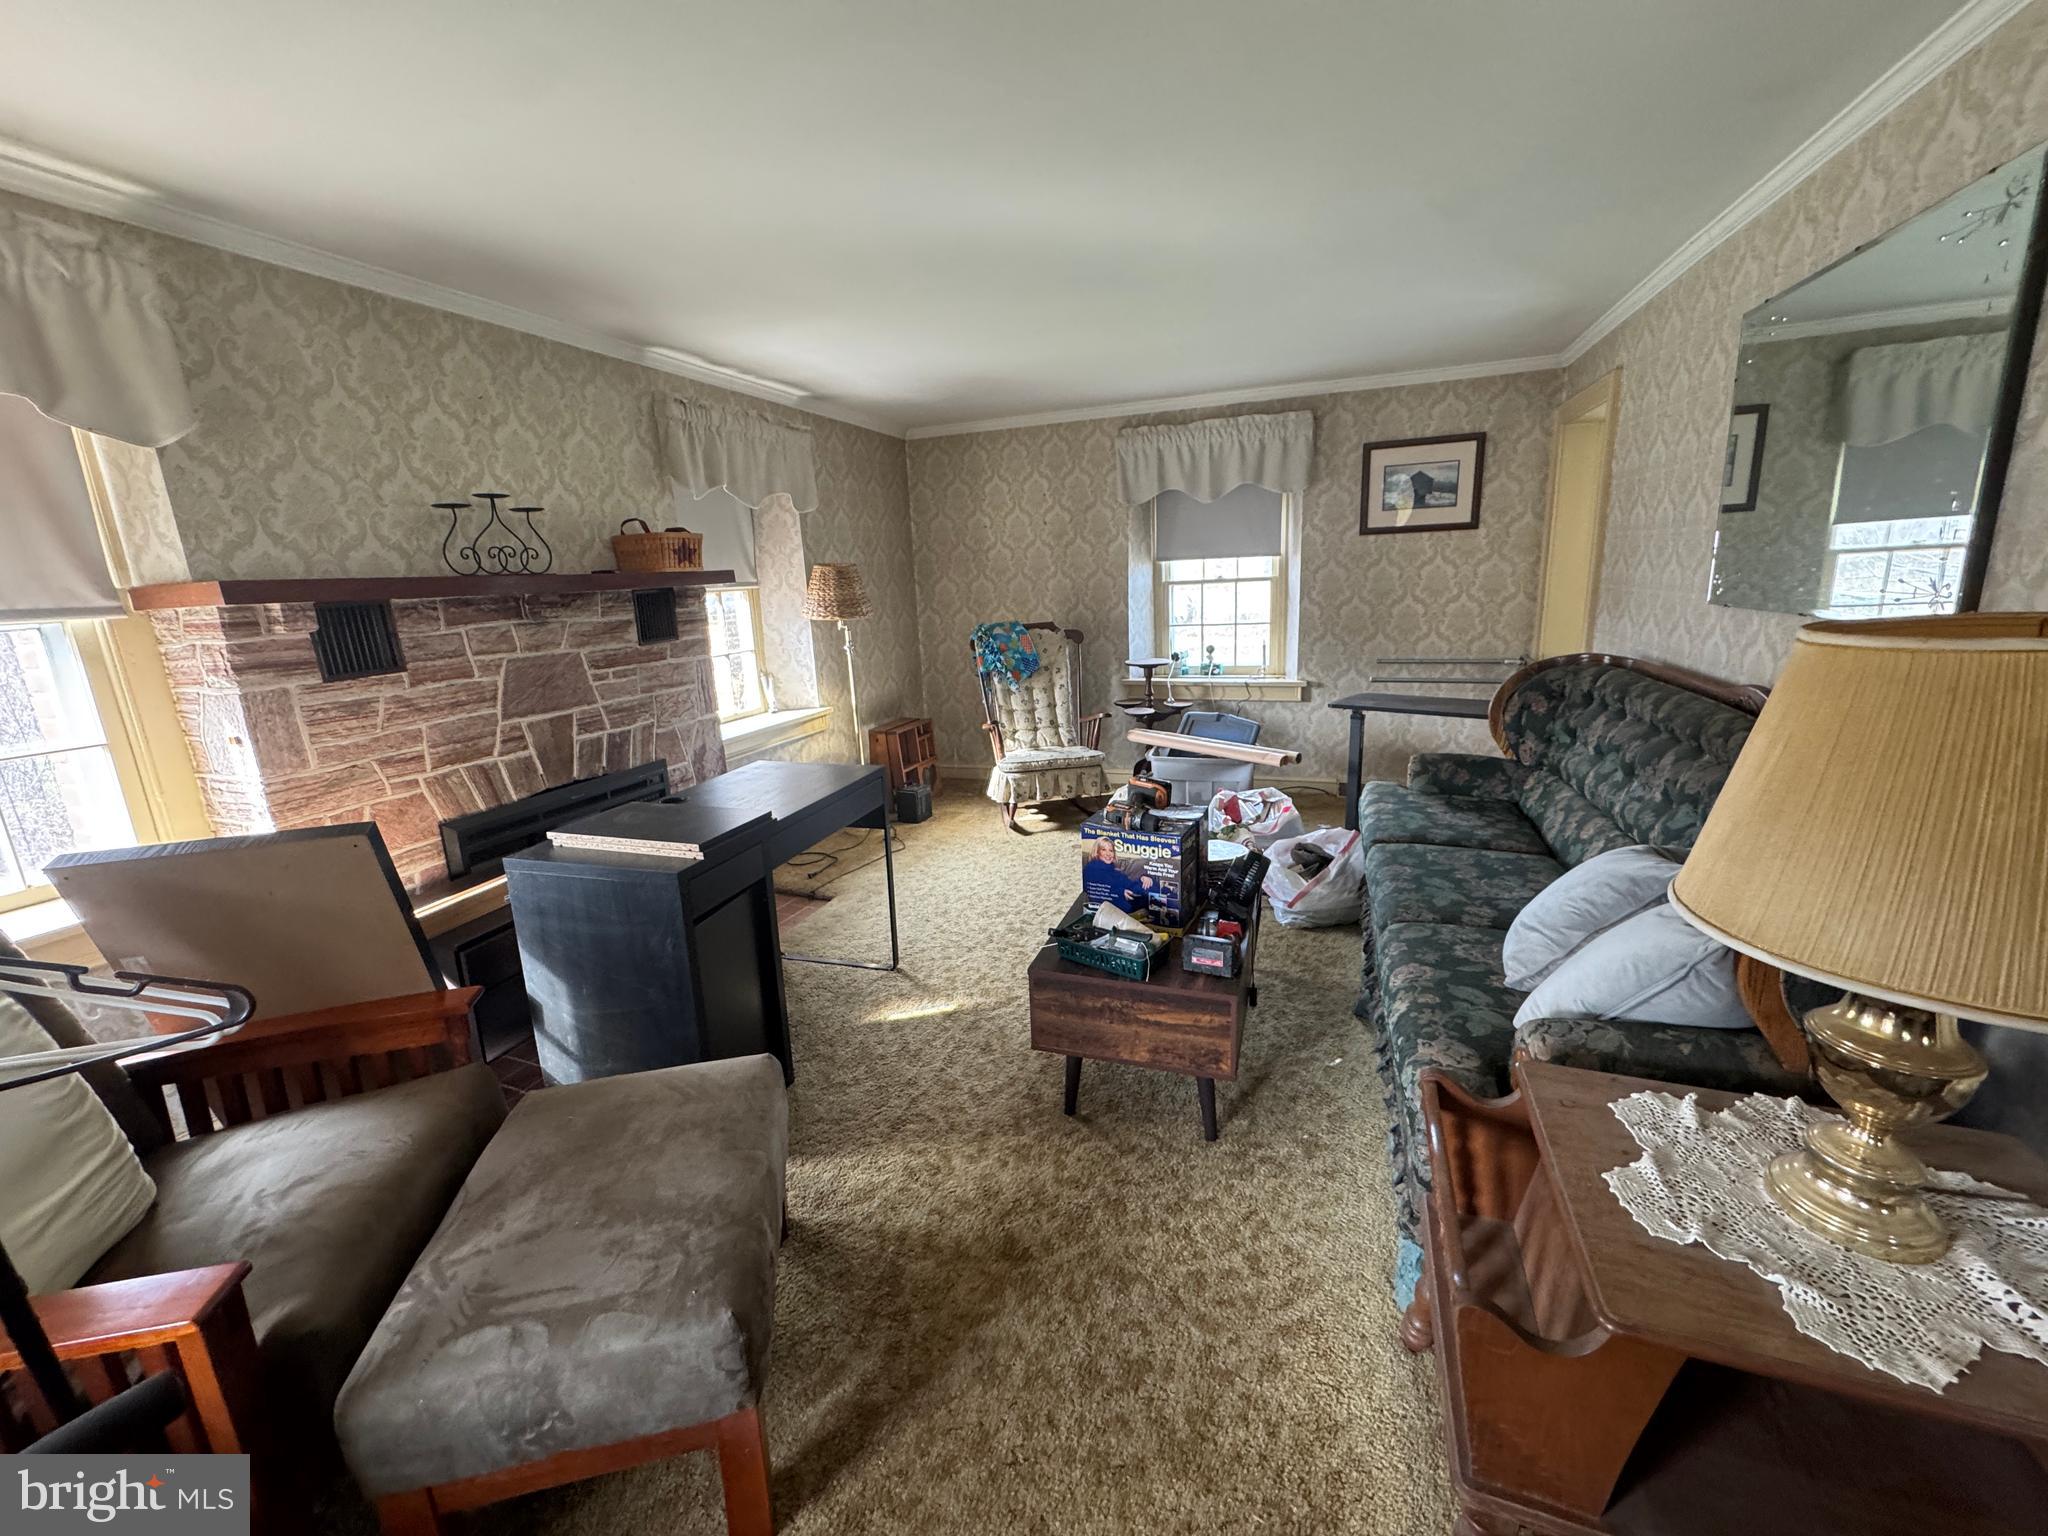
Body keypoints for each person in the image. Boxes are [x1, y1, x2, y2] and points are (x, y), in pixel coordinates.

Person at [1083, 839, 1152, 913]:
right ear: (1097, 852)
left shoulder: (1114, 871)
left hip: (1130, 902)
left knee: (1150, 890)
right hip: (1114, 910)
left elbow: (1129, 884)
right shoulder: (1091, 868)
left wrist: (1142, 878)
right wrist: (1120, 892)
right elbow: (1094, 887)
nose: (1108, 854)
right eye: (1103, 850)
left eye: (1111, 851)